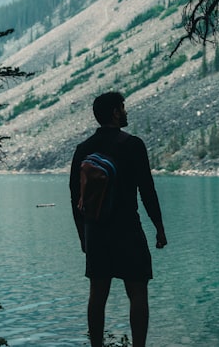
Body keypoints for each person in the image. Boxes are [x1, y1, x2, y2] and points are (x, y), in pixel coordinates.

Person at [70, 91, 168, 347]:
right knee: (137, 291)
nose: (126, 112)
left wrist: (83, 236)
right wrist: (159, 228)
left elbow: (74, 198)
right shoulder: (132, 144)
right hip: (127, 229)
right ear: (115, 112)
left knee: (97, 294)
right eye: (123, 107)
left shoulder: (83, 149)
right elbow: (147, 190)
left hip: (96, 231)